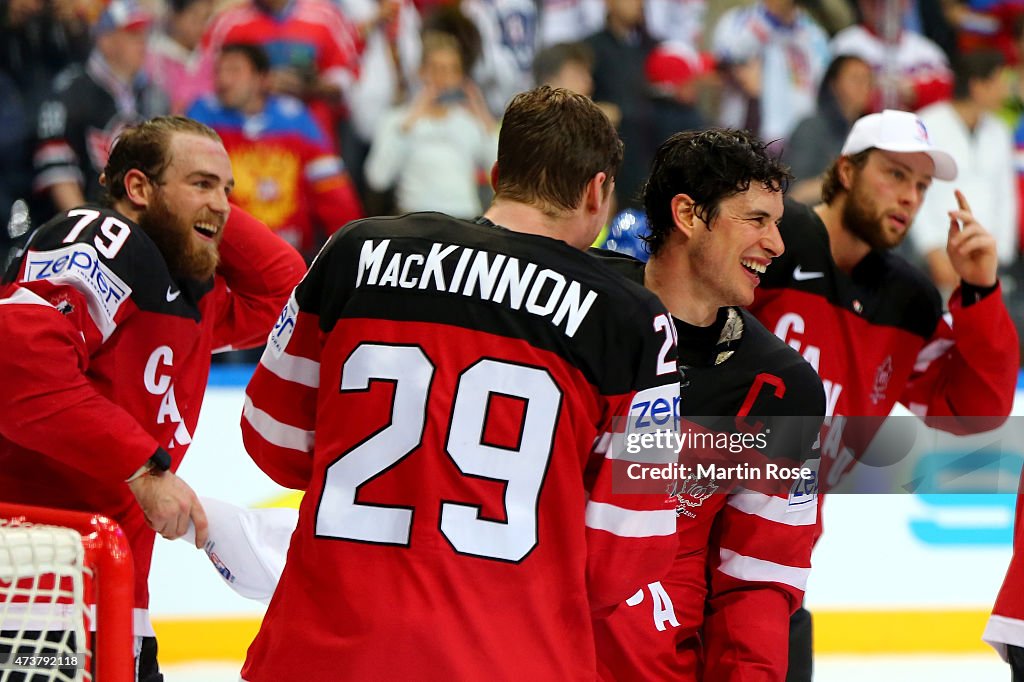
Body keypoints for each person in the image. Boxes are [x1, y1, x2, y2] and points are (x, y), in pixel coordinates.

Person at [238, 86, 681, 680]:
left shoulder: (354, 252)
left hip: (319, 653)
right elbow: (624, 554)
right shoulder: (632, 321)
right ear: (597, 192)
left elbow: (274, 438)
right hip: (510, 657)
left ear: (497, 174)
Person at [0, 116, 306, 679]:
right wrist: (145, 470)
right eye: (201, 184)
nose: (220, 203)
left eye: (227, 188)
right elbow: (13, 367)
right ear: (138, 188)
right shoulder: (101, 240)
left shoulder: (186, 287)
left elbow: (284, 291)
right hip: (31, 597)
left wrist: (201, 213)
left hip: (107, 596)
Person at [746, 108, 1019, 681]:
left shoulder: (909, 299)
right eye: (895, 175)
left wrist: (981, 292)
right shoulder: (774, 236)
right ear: (845, 170)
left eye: (921, 185)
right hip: (687, 543)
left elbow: (973, 412)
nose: (910, 197)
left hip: (783, 569)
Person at [591, 129, 826, 681]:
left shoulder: (784, 390)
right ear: (688, 214)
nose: (777, 244)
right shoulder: (577, 312)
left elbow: (759, 581)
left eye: (777, 221)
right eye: (756, 220)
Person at [188, 42, 363, 261]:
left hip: (295, 255)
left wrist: (351, 251)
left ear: (263, 78)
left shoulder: (297, 119)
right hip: (228, 257)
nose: (223, 81)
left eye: (234, 70)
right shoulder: (201, 116)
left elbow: (333, 190)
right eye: (219, 72)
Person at [33, 0, 169, 218]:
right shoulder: (70, 92)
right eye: (132, 34)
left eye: (143, 35)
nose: (142, 43)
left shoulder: (153, 96)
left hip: (137, 228)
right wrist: (87, 229)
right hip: (84, 229)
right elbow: (59, 176)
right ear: (105, 40)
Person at [911, 49, 1016, 297]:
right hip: (936, 257)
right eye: (999, 82)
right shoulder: (926, 123)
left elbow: (1005, 196)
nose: (1005, 91)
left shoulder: (999, 131)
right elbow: (916, 189)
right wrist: (932, 249)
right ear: (978, 85)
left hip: (988, 259)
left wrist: (1000, 254)